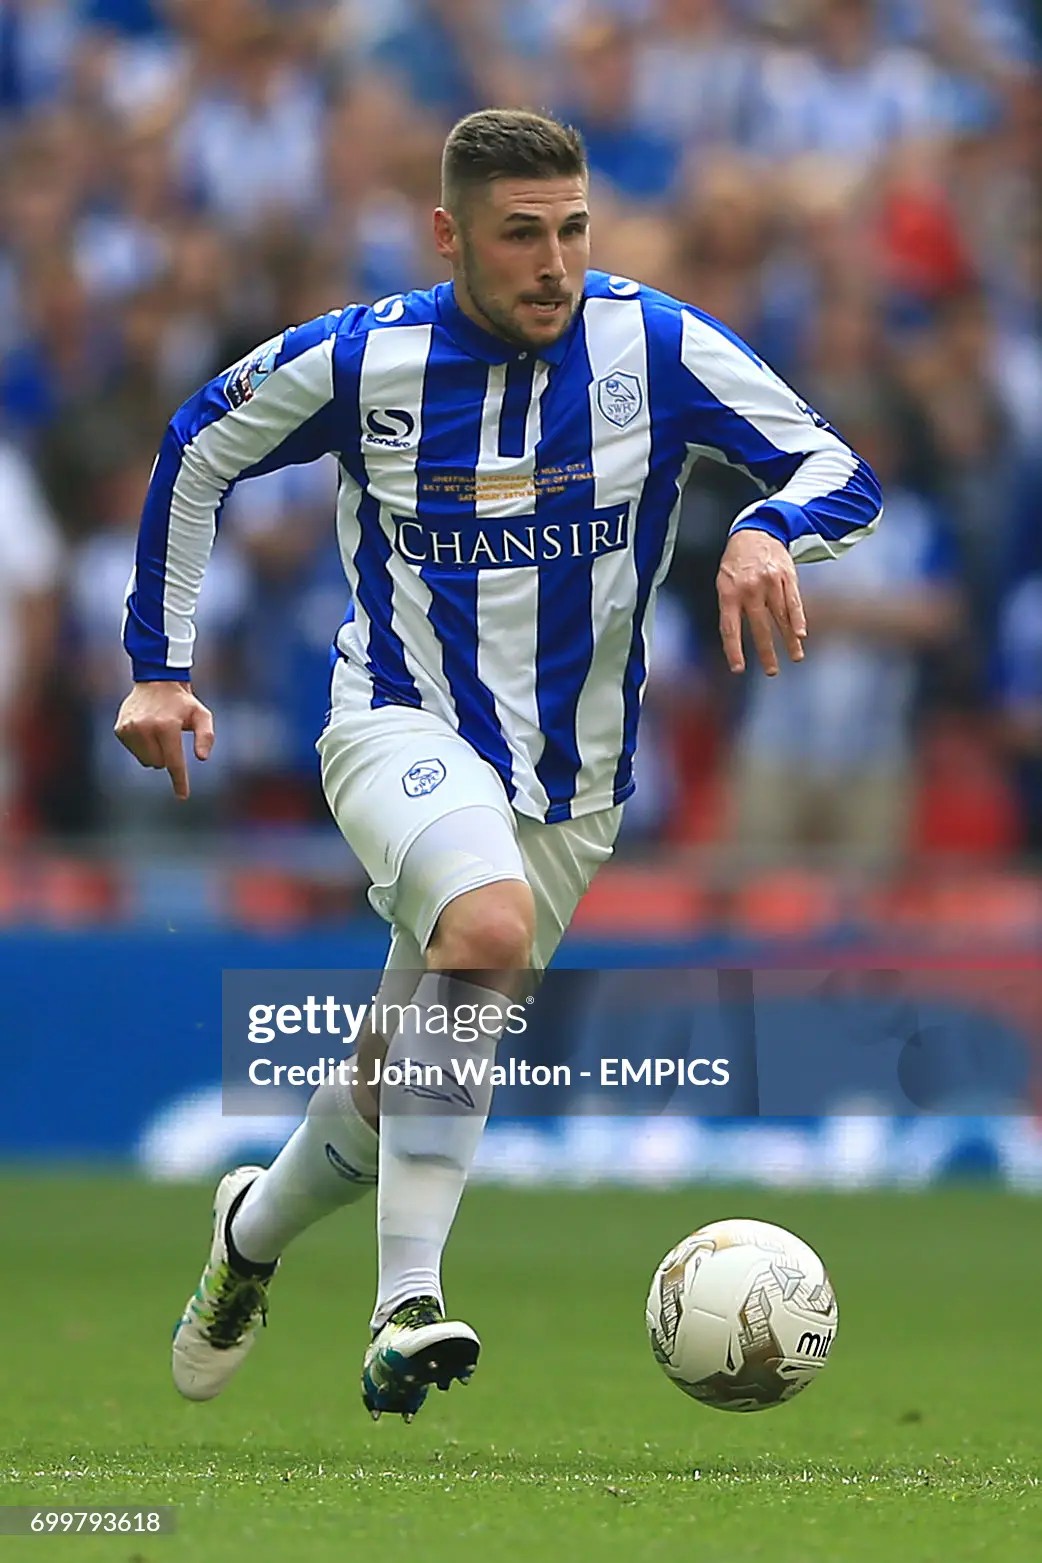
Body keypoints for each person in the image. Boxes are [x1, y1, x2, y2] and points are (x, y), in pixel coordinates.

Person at [114, 108, 882, 1421]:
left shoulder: (653, 343)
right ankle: (403, 1308)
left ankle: (246, 1236)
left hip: (575, 788)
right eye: (520, 234)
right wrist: (160, 664)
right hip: (396, 722)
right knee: (484, 927)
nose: (553, 262)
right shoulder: (368, 359)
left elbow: (839, 470)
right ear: (448, 235)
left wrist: (767, 528)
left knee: (402, 1059)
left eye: (572, 229)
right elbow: (200, 445)